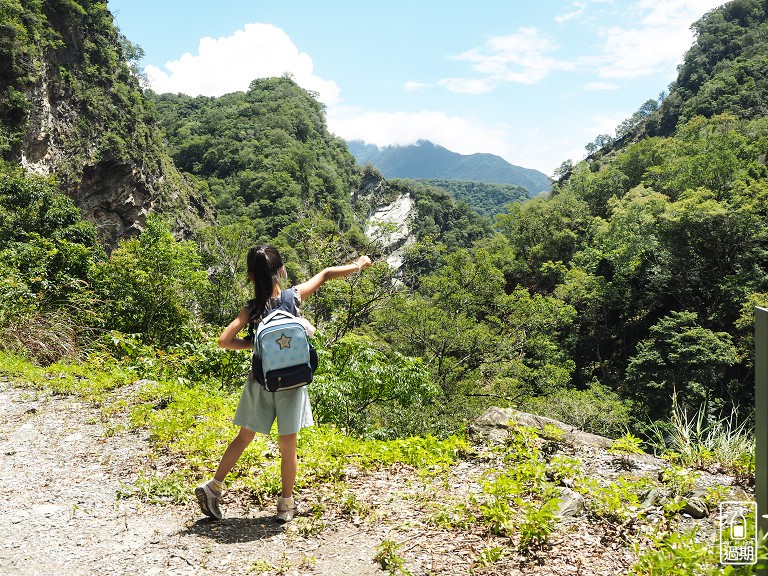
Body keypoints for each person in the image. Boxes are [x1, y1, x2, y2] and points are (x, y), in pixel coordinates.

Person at [195, 245, 372, 522]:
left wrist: (254, 344)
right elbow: (325, 274)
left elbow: (223, 341)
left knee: (244, 437)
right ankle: (286, 504)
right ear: (282, 270)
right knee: (288, 446)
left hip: (260, 381)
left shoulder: (252, 309)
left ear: (251, 277)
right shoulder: (294, 297)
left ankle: (214, 487)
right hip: (292, 381)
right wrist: (359, 264)